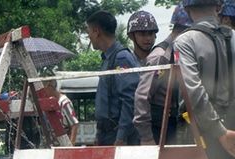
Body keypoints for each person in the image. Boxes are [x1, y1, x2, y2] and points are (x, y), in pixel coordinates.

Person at [174, 0, 235, 159]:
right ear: (219, 7)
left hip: (200, 130)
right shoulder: (233, 37)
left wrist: (220, 132)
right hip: (232, 125)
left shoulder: (185, 41)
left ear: (186, 9)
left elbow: (192, 90)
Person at [134, 4, 193, 145]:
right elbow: (142, 98)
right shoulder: (161, 57)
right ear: (185, 30)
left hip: (173, 123)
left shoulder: (178, 53)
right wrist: (147, 137)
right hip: (157, 127)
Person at [86, 10, 140, 146]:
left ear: (96, 31)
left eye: (89, 33)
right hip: (107, 134)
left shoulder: (121, 58)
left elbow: (130, 100)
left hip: (117, 135)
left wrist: (121, 137)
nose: (89, 37)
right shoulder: (108, 59)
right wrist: (99, 134)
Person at [44, 80, 79, 144]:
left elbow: (74, 124)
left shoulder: (64, 102)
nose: (44, 92)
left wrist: (70, 146)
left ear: (50, 87)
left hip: (65, 141)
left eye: (44, 89)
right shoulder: (51, 101)